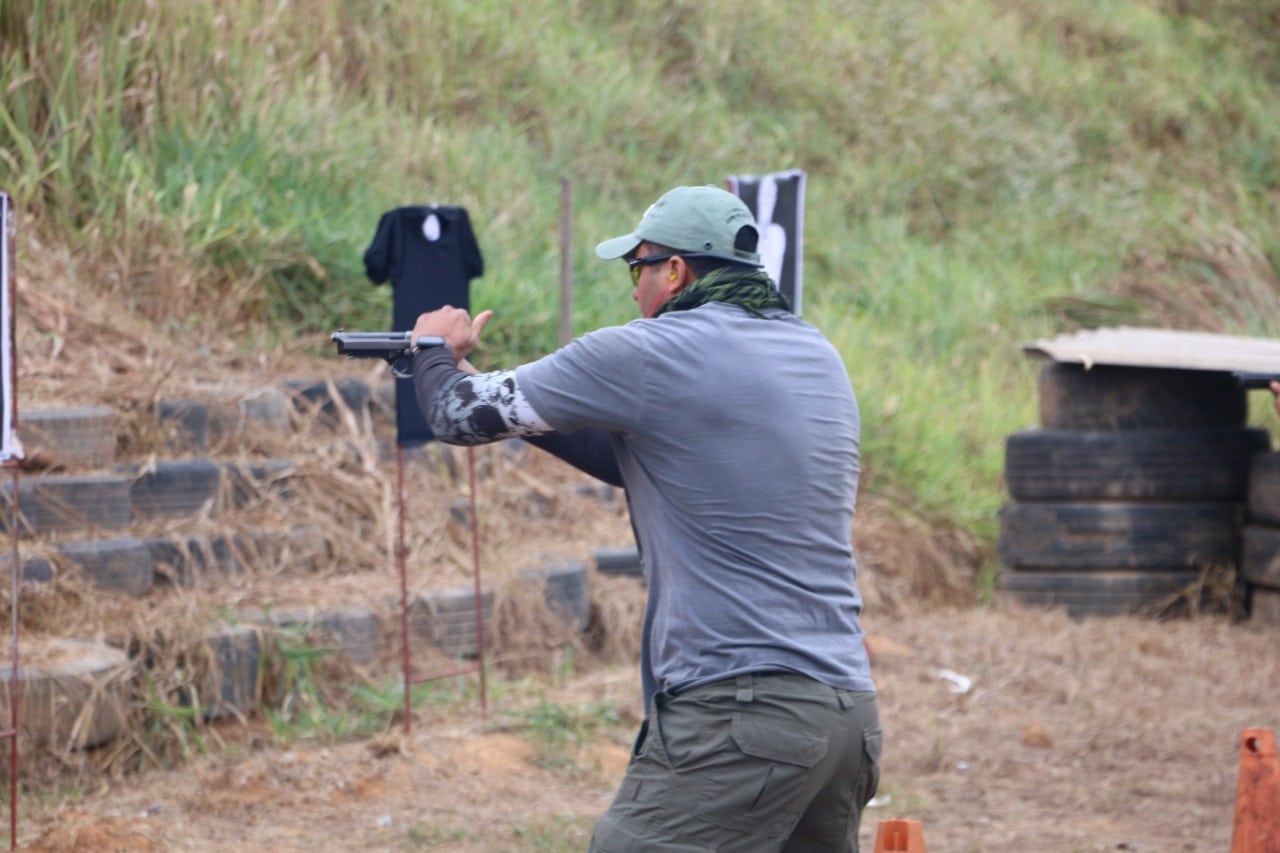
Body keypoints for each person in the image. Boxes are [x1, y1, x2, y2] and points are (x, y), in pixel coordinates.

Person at [410, 184, 881, 852]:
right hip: (845, 713)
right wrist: (515, 402)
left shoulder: (655, 350)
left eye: (638, 269)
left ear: (675, 271)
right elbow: (641, 457)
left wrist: (430, 350)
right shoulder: (815, 354)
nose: (634, 292)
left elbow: (456, 413)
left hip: (741, 712)